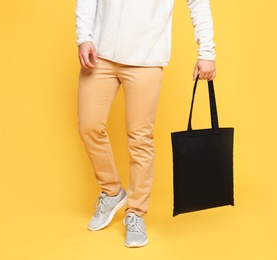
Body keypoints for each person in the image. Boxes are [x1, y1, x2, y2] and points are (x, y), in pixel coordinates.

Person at [76, 0, 216, 248]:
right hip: (100, 54)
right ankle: (111, 192)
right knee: (89, 126)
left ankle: (136, 212)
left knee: (140, 138)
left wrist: (206, 53)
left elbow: (198, 3)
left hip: (146, 58)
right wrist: (83, 37)